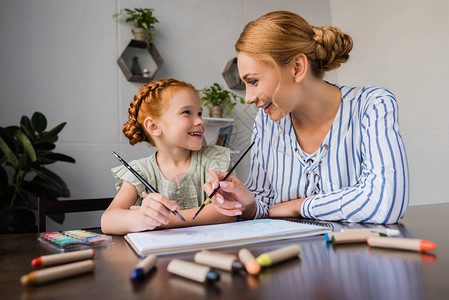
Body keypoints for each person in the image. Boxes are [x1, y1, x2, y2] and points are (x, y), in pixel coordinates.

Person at [204, 11, 409, 224]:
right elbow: (267, 205)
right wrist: (249, 205)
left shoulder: (372, 105)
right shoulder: (266, 122)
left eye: (254, 81)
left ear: (297, 68)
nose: (248, 98)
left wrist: (299, 206)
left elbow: (385, 202)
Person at [101, 78, 234, 234]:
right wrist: (142, 219)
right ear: (154, 126)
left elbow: (227, 211)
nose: (199, 121)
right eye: (187, 112)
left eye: (199, 113)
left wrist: (165, 220)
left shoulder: (213, 159)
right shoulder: (139, 171)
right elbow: (108, 221)